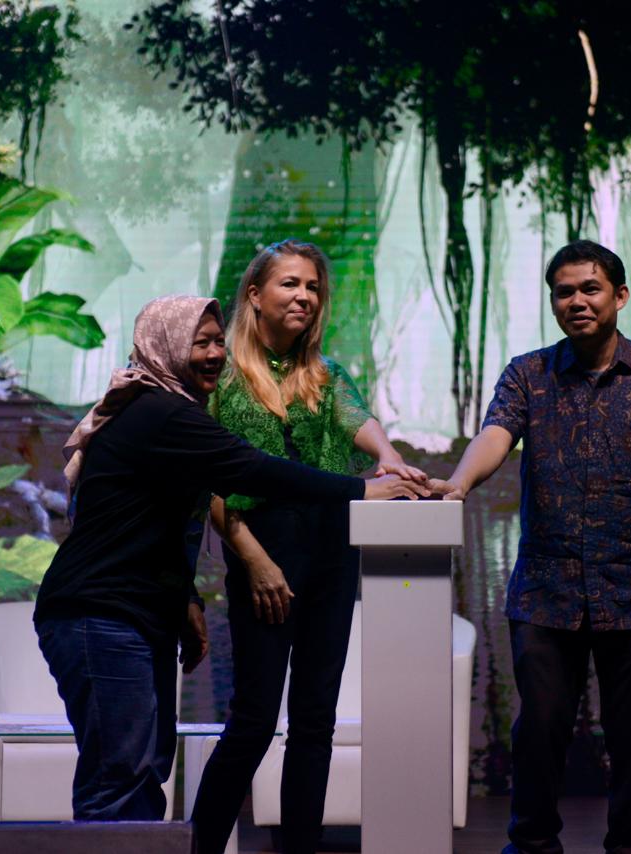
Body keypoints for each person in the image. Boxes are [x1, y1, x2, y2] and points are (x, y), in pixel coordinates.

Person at [33, 295, 424, 823]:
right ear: (166, 347)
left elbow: (156, 525)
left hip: (136, 612)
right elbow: (252, 469)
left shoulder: (166, 408)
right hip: (100, 614)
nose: (216, 353)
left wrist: (186, 599)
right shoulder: (161, 412)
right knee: (119, 780)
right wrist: (360, 490)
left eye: (219, 341)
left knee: (144, 770)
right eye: (200, 343)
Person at [433, 241, 631, 854]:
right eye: (564, 292)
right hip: (546, 588)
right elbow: (496, 434)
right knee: (538, 731)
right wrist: (458, 484)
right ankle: (532, 846)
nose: (577, 301)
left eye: (590, 288)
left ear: (619, 296)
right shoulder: (528, 374)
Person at [191, 240, 425, 854]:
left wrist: (389, 457)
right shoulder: (222, 376)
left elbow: (354, 418)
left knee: (316, 719)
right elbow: (207, 484)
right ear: (254, 294)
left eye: (313, 287)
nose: (304, 296)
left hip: (331, 551)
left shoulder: (323, 371)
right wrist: (252, 558)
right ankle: (200, 847)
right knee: (253, 720)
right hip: (263, 551)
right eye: (290, 284)